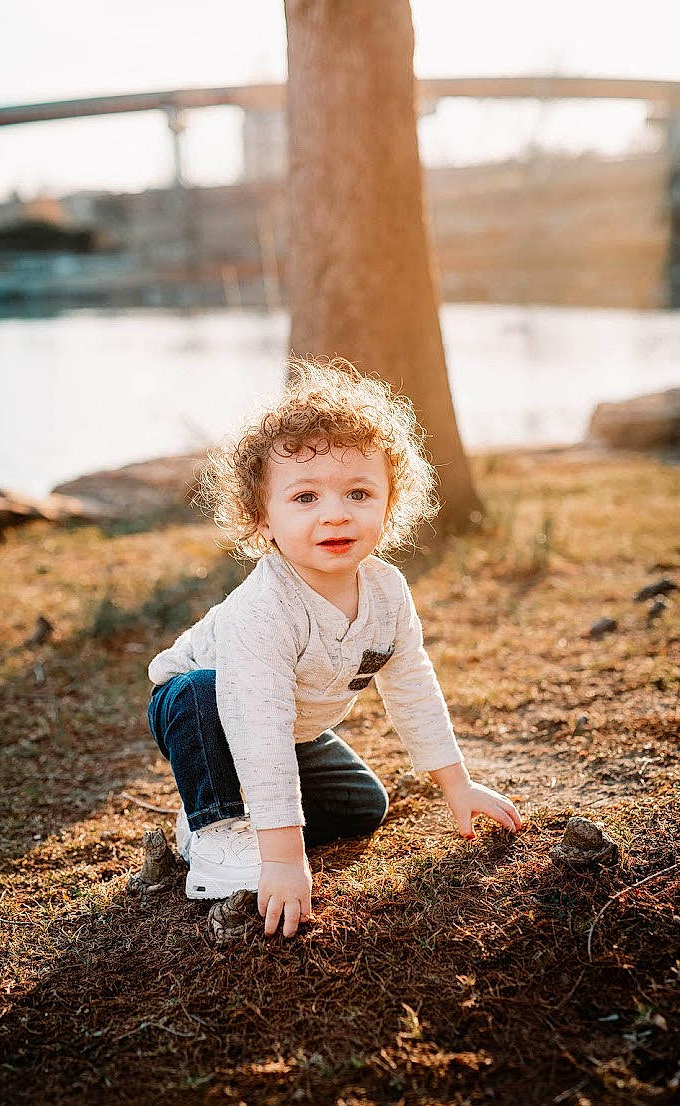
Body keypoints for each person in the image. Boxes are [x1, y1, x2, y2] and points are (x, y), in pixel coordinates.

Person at [147, 357, 522, 939]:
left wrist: (457, 783)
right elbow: (257, 722)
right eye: (304, 498)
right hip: (203, 712)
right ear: (261, 517)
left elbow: (412, 682)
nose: (336, 512)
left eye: (358, 492)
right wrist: (284, 859)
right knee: (199, 691)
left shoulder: (386, 589)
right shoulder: (265, 608)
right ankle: (217, 831)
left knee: (361, 805)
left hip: (292, 726)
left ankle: (217, 822)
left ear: (390, 504)